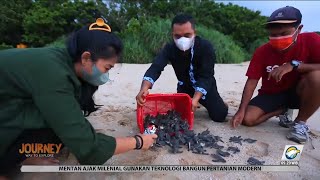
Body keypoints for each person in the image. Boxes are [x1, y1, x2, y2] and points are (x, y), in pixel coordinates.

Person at [0, 18, 157, 178]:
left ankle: (26, 156)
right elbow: (89, 148)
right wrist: (138, 141)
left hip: (11, 103)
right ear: (86, 58)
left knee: (61, 133)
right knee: (70, 133)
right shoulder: (54, 74)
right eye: (107, 67)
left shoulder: (63, 59)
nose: (106, 75)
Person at [231, 6, 320, 144]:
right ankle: (281, 110)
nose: (278, 38)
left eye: (284, 33)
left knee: (317, 77)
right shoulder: (262, 51)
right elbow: (252, 81)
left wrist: (294, 65)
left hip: (300, 92)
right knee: (248, 119)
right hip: (272, 94)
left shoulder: (312, 40)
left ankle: (300, 122)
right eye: (273, 35)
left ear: (299, 29)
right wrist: (241, 110)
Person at [136, 14, 228, 122]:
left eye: (187, 35)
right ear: (172, 35)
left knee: (219, 115)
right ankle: (192, 101)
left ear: (195, 33)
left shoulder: (205, 47)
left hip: (206, 87)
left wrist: (196, 98)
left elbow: (206, 76)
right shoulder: (169, 48)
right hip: (184, 88)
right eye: (178, 36)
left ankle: (220, 104)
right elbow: (156, 67)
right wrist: (144, 88)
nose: (182, 39)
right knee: (179, 116)